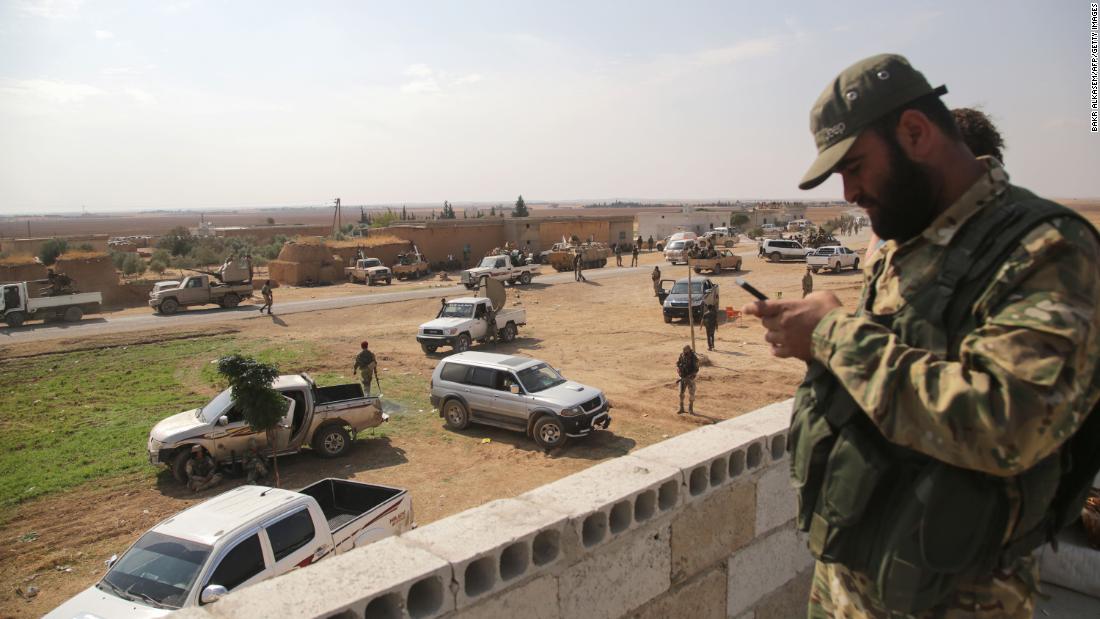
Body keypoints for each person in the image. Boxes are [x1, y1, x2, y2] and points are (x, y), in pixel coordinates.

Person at [744, 53, 1100, 619]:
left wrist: (834, 334)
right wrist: (812, 338)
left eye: (855, 166)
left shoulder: (1048, 251)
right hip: (850, 579)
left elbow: (1007, 423)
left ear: (915, 132)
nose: (848, 192)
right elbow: (898, 366)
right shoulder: (905, 240)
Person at [675, 345, 699, 415]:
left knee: (691, 394)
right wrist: (678, 369)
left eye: (685, 350)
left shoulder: (693, 358)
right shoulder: (682, 355)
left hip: (690, 378)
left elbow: (696, 369)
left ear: (688, 350)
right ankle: (681, 408)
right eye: (683, 350)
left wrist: (690, 376)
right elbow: (678, 363)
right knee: (681, 393)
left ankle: (690, 409)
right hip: (682, 377)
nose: (683, 351)